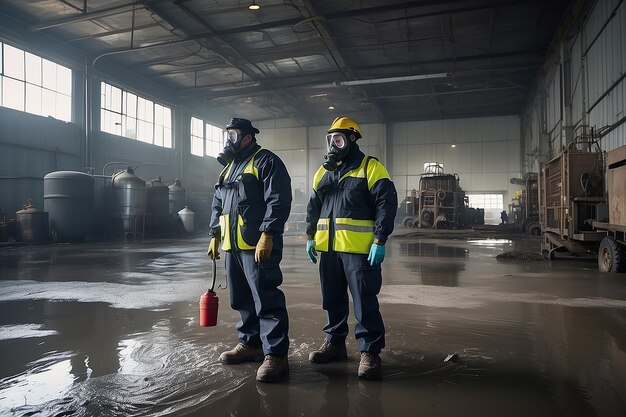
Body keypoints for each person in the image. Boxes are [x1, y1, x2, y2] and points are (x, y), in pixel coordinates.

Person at [305, 116, 397, 380]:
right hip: (329, 251)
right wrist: (311, 235)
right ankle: (335, 344)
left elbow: (386, 205)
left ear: (353, 138)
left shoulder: (370, 168)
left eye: (339, 138)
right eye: (331, 139)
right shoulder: (323, 172)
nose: (334, 144)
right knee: (332, 299)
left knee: (364, 300)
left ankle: (370, 352)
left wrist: (380, 240)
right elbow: (313, 208)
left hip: (359, 251)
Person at [207, 117, 292, 383]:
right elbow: (218, 204)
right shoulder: (229, 168)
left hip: (256, 243)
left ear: (247, 137)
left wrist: (269, 233)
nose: (229, 139)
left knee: (266, 298)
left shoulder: (266, 161)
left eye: (233, 134)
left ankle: (276, 355)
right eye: (227, 133)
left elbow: (278, 199)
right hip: (233, 244)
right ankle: (251, 344)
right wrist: (214, 234)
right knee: (242, 299)